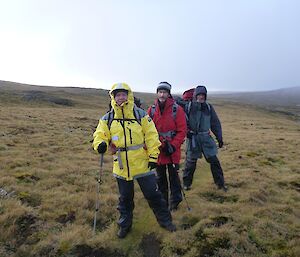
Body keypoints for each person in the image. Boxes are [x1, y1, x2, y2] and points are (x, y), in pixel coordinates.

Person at [93, 82, 176, 239]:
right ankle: (125, 225)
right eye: (117, 95)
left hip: (142, 164)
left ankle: (166, 221)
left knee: (153, 195)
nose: (121, 97)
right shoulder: (108, 118)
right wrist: (100, 145)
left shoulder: (141, 115)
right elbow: (99, 134)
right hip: (121, 167)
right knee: (125, 199)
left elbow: (152, 136)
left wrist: (153, 157)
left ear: (129, 96)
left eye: (123, 94)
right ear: (113, 97)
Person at [148, 82, 187, 211]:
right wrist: (157, 145)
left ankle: (175, 202)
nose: (162, 94)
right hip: (158, 150)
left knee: (174, 177)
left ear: (169, 93)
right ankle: (163, 202)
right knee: (160, 179)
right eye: (160, 92)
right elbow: (147, 130)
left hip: (172, 151)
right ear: (157, 93)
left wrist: (173, 146)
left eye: (165, 92)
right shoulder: (152, 109)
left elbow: (182, 131)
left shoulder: (177, 110)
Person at [182, 85, 227, 192]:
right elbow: (182, 122)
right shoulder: (189, 107)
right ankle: (186, 185)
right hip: (193, 139)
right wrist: (186, 132)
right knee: (190, 163)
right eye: (199, 95)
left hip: (206, 139)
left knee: (214, 162)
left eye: (203, 95)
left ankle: (220, 184)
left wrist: (219, 138)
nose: (201, 97)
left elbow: (215, 123)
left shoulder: (208, 108)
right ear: (195, 96)